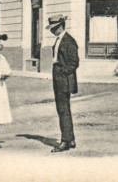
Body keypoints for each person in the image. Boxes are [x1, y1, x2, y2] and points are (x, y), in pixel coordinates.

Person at [48, 15, 79, 153]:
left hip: (63, 79)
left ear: (60, 26)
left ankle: (65, 141)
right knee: (64, 109)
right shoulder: (60, 39)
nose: (51, 31)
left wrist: (62, 73)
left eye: (53, 28)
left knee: (63, 109)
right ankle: (70, 139)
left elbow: (74, 62)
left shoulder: (69, 41)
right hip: (59, 77)